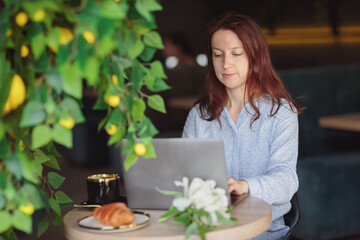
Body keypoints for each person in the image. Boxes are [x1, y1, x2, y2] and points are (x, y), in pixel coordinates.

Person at [182, 12, 304, 240]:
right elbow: (183, 176)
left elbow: (286, 180)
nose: (226, 64)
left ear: (255, 57)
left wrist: (245, 185)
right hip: (207, 231)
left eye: (236, 54)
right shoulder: (200, 116)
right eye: (218, 55)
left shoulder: (280, 112)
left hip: (263, 232)